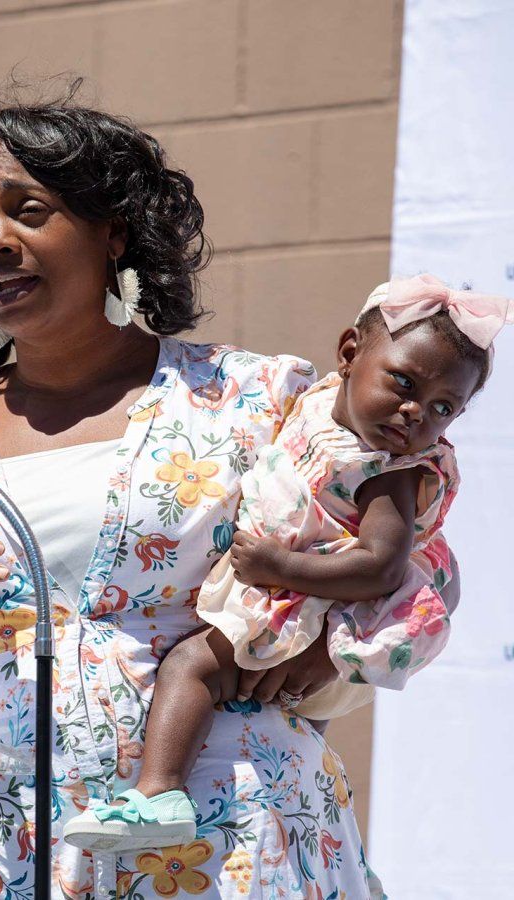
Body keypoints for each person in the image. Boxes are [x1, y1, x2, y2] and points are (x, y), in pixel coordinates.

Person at [0, 99, 458, 899]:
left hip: (228, 845)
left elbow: (423, 570)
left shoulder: (255, 399)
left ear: (113, 230)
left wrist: (314, 657)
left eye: (29, 210)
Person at [65, 274, 509, 853]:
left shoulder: (389, 472)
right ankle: (331, 836)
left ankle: (159, 794)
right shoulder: (322, 410)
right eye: (402, 382)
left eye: (443, 407)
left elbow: (380, 569)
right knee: (302, 743)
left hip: (323, 608)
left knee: (192, 666)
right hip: (311, 602)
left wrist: (278, 567)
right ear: (349, 352)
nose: (414, 413)